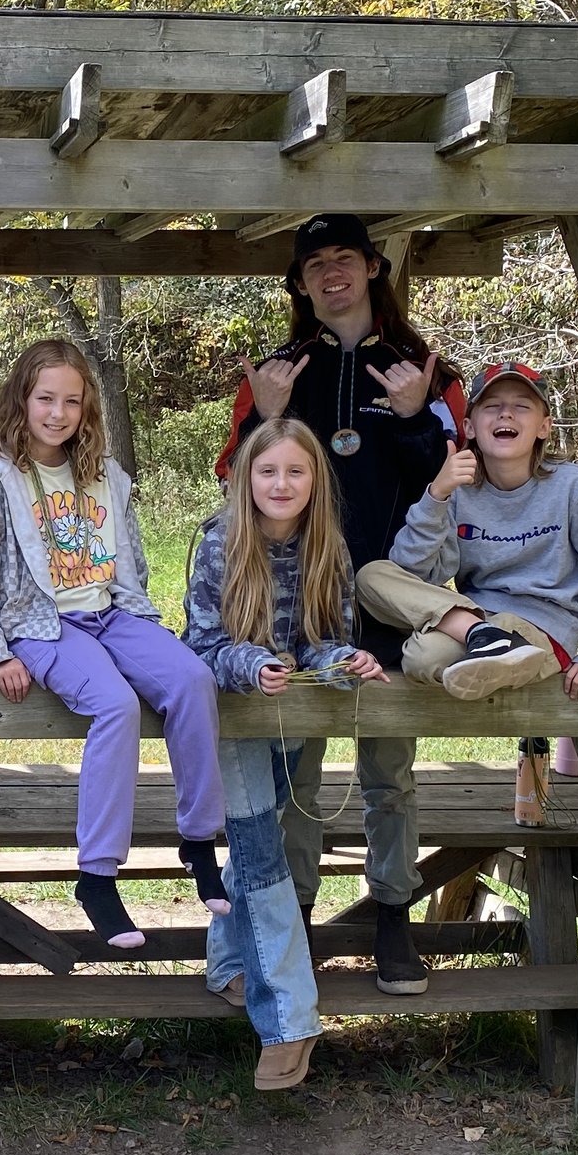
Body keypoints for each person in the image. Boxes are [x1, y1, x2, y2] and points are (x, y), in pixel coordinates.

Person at [227, 212, 464, 991]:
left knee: (388, 769)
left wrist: (410, 417)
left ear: (373, 268)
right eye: (315, 263)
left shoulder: (427, 368)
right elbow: (237, 484)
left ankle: (393, 913)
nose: (332, 274)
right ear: (299, 282)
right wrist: (265, 413)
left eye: (346, 260)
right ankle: (293, 918)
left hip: (394, 596)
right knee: (297, 767)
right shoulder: (275, 373)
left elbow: (457, 479)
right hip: (298, 599)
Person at [0, 338, 229, 947]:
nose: (58, 413)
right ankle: (97, 875)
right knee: (115, 703)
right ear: (22, 400)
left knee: (192, 680)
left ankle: (200, 841)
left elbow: (130, 566)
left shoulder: (104, 474)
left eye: (72, 401)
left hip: (109, 614)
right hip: (41, 625)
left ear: (86, 408)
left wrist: (149, 630)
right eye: (45, 398)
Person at [184, 419, 390, 1093]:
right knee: (258, 852)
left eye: (295, 473)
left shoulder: (329, 549)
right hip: (235, 714)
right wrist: (249, 662)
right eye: (267, 471)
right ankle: (289, 1020)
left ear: (314, 481)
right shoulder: (219, 543)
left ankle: (226, 967)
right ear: (247, 477)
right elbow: (202, 643)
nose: (280, 484)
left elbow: (324, 639)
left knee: (257, 843)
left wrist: (343, 661)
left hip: (294, 715)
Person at [363, 361, 578, 720]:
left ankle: (505, 653)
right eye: (492, 406)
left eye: (522, 407)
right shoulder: (459, 491)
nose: (505, 414)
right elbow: (414, 574)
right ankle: (486, 637)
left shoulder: (574, 487)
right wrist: (436, 495)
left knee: (425, 657)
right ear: (470, 426)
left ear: (544, 427)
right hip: (475, 619)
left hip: (544, 627)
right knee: (374, 579)